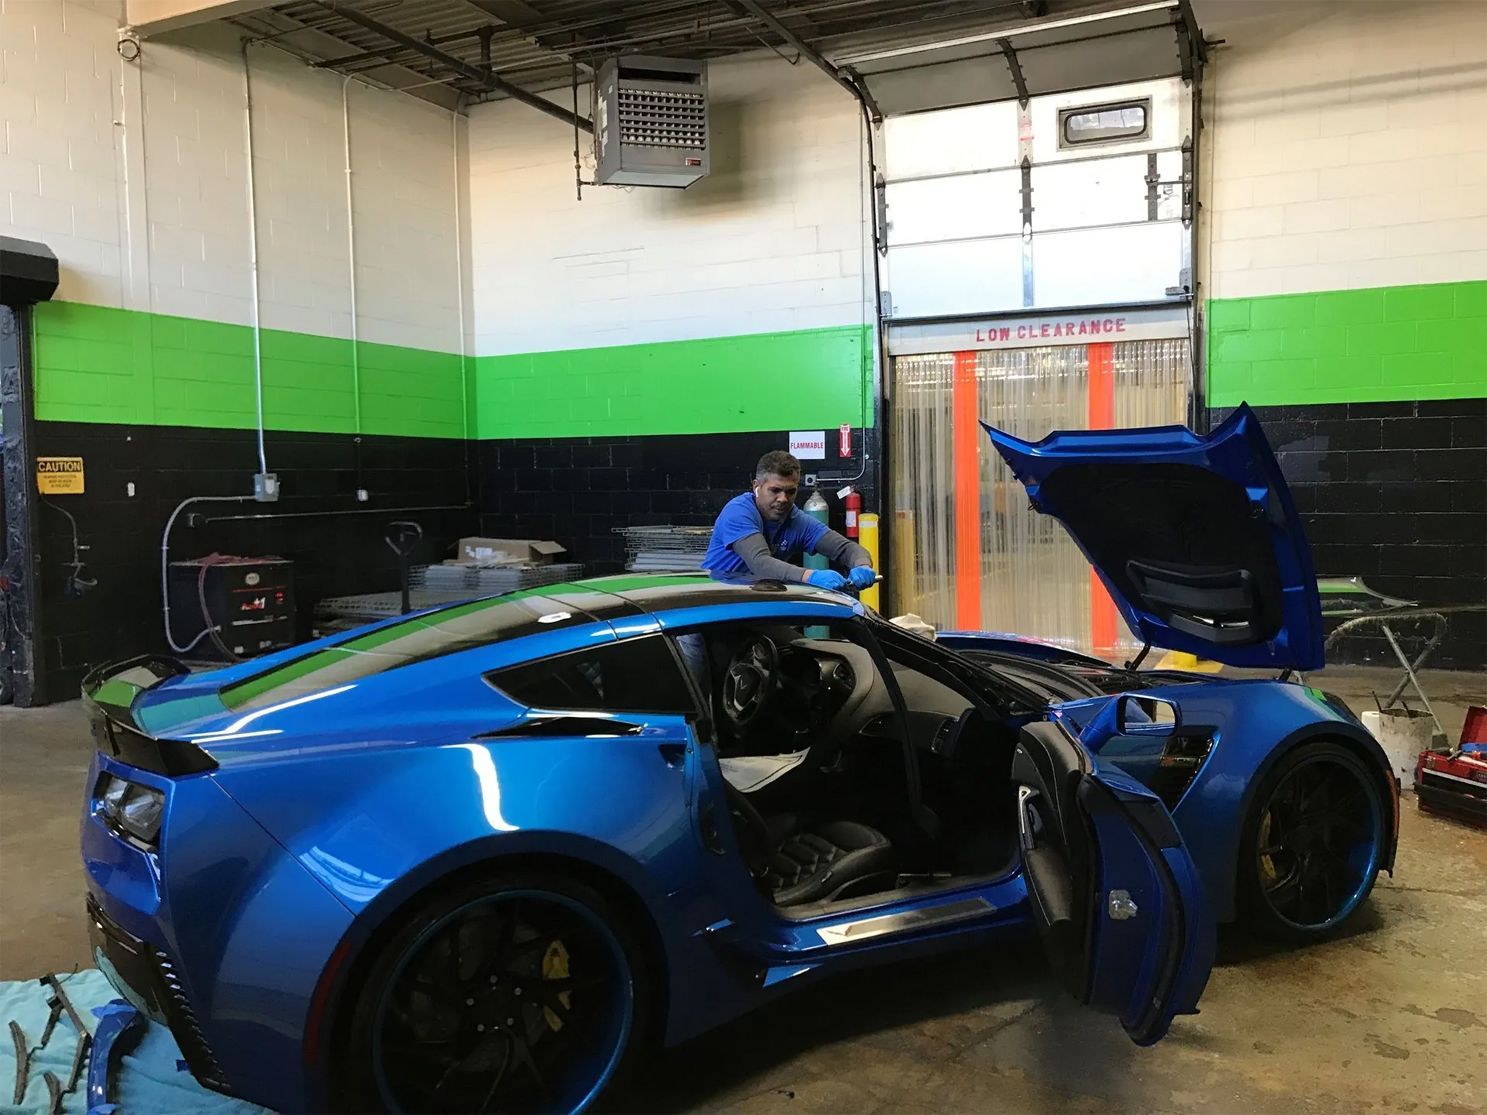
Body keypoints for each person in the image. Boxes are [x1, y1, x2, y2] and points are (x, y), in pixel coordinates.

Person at [701, 450, 876, 592]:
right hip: (716, 606)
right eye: (775, 490)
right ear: (756, 486)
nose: (783, 499)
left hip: (755, 604)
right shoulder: (739, 512)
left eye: (790, 491)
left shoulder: (796, 521)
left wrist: (862, 565)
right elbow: (760, 563)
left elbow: (846, 549)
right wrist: (811, 577)